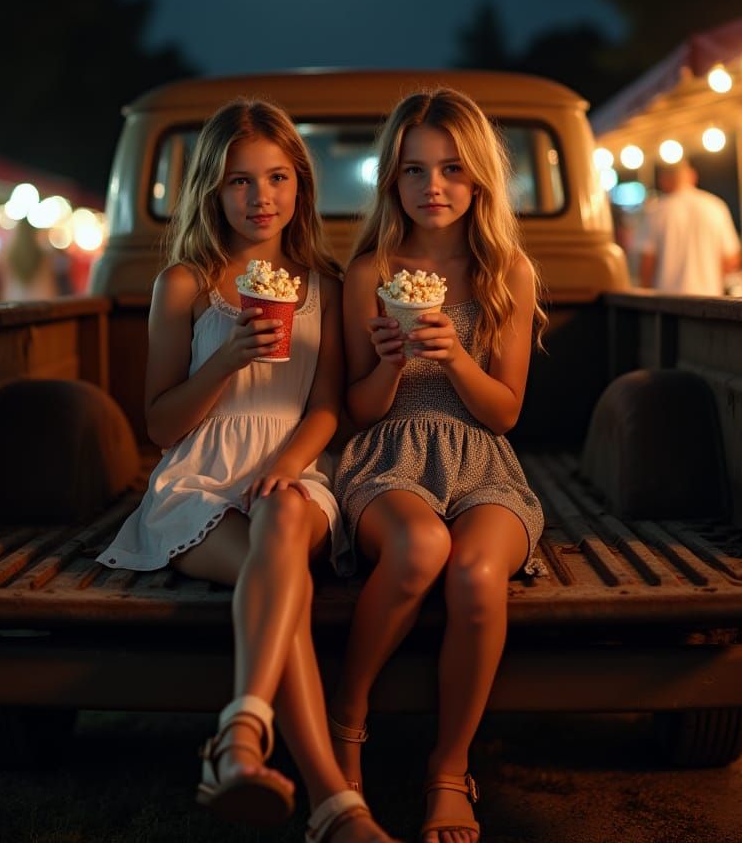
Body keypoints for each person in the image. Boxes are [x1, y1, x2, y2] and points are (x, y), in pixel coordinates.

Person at [96, 100, 398, 843]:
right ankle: (331, 802)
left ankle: (240, 739)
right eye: (240, 181)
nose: (260, 197)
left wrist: (289, 466)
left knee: (284, 519)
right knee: (283, 585)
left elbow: (327, 408)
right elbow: (160, 425)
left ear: (300, 185)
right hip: (198, 478)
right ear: (213, 190)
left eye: (276, 178)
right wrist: (226, 359)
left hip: (291, 469)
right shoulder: (185, 284)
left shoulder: (324, 285)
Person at [328, 88, 546, 843]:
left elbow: (505, 412)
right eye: (414, 170)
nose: (434, 187)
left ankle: (449, 769)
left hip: (482, 458)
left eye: (452, 168)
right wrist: (390, 365)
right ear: (392, 179)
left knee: (478, 572)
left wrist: (454, 357)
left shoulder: (506, 270)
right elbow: (358, 410)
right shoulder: (370, 272)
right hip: (389, 454)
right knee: (421, 546)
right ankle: (346, 720)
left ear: (479, 177)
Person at [637, 161, 741, 294]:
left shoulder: (656, 211)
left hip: (668, 298)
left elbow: (647, 262)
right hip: (710, 297)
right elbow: (731, 259)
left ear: (664, 180)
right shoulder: (715, 206)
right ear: (693, 176)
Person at [0, 218, 57, 301]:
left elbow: (3, 285)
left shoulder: (9, 255)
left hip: (14, 299)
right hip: (39, 299)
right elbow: (49, 285)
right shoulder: (42, 254)